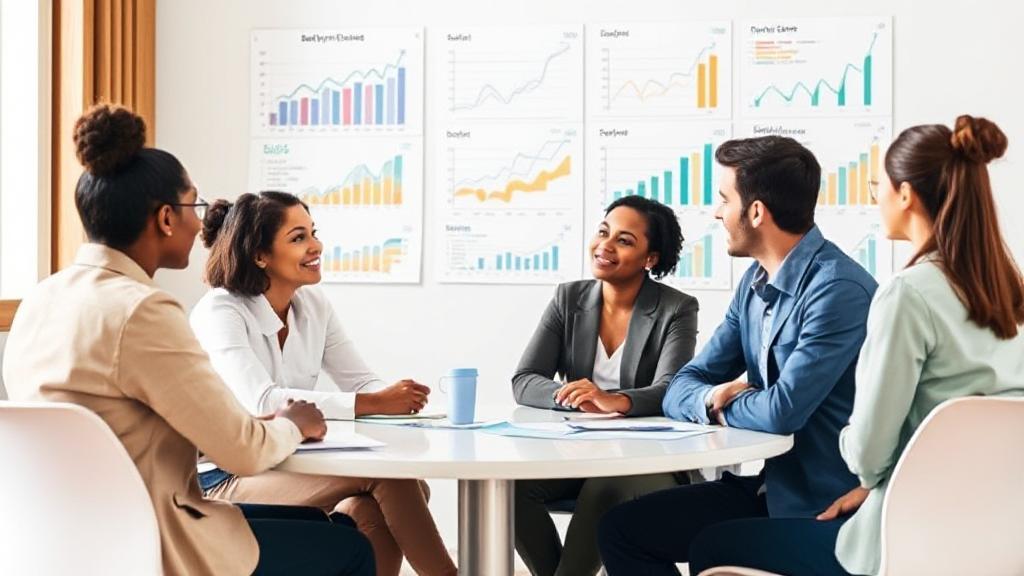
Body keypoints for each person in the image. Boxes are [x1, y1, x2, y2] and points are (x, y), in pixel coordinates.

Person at [2, 104, 374, 575]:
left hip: (60, 538)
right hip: (150, 536)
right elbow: (244, 453)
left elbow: (115, 426)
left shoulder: (43, 298)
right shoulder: (142, 310)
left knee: (329, 528)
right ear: (165, 218)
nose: (202, 224)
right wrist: (294, 424)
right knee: (351, 549)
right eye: (194, 206)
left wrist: (243, 424)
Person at [684, 116, 1024, 576]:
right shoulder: (1009, 293)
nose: (873, 198)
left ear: (905, 195)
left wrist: (869, 469)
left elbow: (866, 453)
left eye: (877, 185)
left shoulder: (908, 294)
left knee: (713, 546)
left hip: (898, 538)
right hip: (989, 538)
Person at [598, 135, 878, 575]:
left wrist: (726, 407)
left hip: (826, 506)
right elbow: (682, 385)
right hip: (774, 489)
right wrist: (712, 398)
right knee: (622, 529)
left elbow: (782, 411)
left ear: (756, 212)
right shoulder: (753, 283)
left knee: (714, 547)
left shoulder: (838, 290)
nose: (717, 213)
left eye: (724, 199)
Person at [190, 191, 456, 576]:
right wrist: (377, 402)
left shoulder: (313, 305)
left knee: (376, 503)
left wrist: (404, 405)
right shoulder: (221, 310)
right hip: (224, 476)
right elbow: (264, 401)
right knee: (389, 478)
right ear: (261, 255)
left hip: (287, 461)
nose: (316, 245)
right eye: (298, 237)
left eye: (313, 233)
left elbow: (360, 381)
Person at [511, 195, 699, 576]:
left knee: (605, 487)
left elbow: (672, 389)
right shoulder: (568, 298)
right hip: (578, 453)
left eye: (624, 240)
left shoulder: (676, 309)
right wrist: (572, 397)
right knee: (509, 489)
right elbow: (525, 378)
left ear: (650, 258)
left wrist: (616, 401)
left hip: (648, 460)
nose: (605, 245)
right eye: (603, 232)